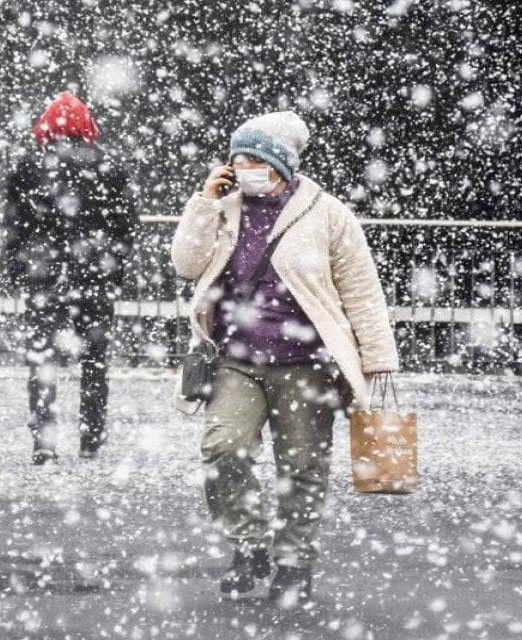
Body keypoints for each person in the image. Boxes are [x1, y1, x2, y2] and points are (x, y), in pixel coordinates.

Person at [170, 111, 399, 606]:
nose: (244, 166)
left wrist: (377, 358)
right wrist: (204, 203)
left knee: (302, 467)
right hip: (234, 358)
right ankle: (249, 543)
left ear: (281, 162)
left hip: (306, 363)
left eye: (254, 158)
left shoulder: (327, 213)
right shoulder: (225, 207)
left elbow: (361, 290)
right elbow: (186, 265)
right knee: (222, 449)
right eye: (237, 158)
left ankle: (294, 564)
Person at [4, 91, 136, 464]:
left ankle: (44, 441)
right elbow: (125, 225)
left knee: (42, 360)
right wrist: (114, 267)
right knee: (94, 360)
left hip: (44, 276)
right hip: (94, 276)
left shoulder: (29, 165)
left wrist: (18, 266)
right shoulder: (109, 164)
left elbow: (16, 224)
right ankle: (91, 437)